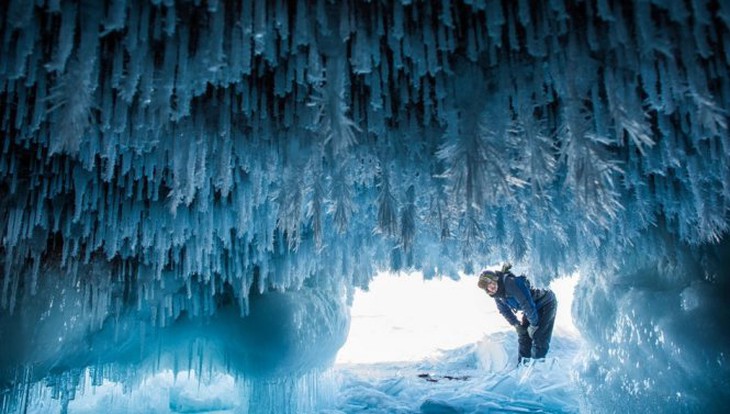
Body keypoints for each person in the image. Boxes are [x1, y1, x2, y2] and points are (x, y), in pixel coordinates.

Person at [477, 264, 557, 363]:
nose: (491, 287)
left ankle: (537, 370)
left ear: (496, 279)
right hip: (531, 308)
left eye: (491, 283)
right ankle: (523, 368)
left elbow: (526, 303)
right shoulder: (497, 295)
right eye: (487, 287)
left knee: (539, 336)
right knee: (524, 336)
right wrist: (516, 324)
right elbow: (504, 311)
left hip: (545, 302)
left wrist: (534, 325)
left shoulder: (510, 283)